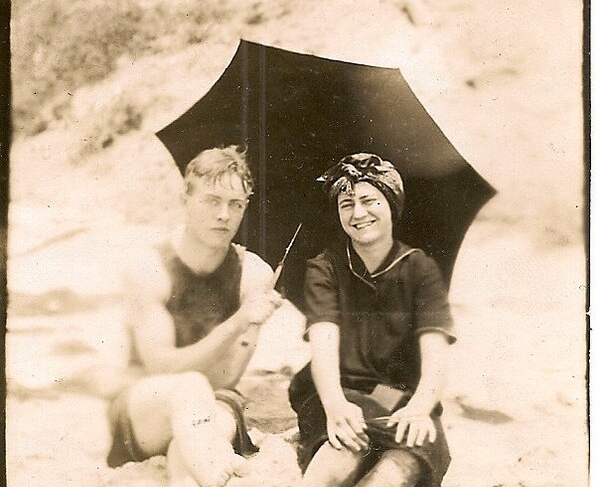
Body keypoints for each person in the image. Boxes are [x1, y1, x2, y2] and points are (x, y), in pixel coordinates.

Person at [106, 145, 282, 487]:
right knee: (189, 388)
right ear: (185, 198)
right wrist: (237, 323)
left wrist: (248, 321)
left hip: (213, 406)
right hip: (148, 405)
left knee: (188, 446)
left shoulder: (254, 276)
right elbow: (161, 367)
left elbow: (224, 378)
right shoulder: (150, 267)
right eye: (212, 200)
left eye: (236, 205)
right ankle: (212, 467)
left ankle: (200, 473)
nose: (224, 215)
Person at [289, 153, 455, 487]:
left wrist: (422, 406)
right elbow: (323, 344)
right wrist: (335, 406)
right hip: (337, 391)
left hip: (403, 399)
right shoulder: (325, 268)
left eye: (369, 200)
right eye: (346, 203)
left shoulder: (420, 269)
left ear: (391, 204)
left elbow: (436, 352)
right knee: (342, 449)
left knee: (397, 470)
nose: (358, 213)